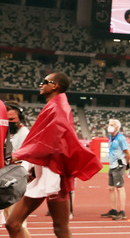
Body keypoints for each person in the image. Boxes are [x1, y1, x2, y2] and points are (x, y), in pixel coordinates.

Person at [6, 72, 102, 238]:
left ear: (55, 85)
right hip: (43, 171)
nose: (41, 84)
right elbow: (45, 140)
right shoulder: (54, 106)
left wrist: (17, 155)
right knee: (12, 224)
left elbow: (51, 142)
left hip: (55, 174)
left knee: (60, 228)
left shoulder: (59, 108)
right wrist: (33, 167)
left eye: (45, 81)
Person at [3, 102, 31, 235]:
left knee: (17, 223)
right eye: (6, 120)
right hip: (3, 181)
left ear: (20, 118)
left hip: (15, 182)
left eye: (12, 119)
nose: (10, 123)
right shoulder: (4, 132)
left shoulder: (25, 133)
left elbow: (27, 158)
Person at [100, 119, 130, 220]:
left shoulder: (120, 138)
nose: (109, 126)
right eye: (109, 124)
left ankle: (122, 211)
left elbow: (127, 152)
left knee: (120, 188)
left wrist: (127, 164)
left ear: (117, 127)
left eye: (112, 125)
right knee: (111, 188)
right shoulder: (111, 137)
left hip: (119, 165)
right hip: (112, 165)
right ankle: (114, 210)